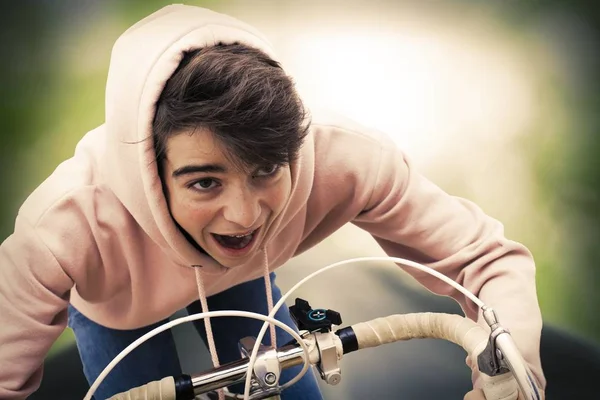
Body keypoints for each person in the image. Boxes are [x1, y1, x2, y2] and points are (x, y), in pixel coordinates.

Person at [0, 4, 546, 400]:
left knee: (290, 392)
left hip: (243, 281)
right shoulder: (66, 225)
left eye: (265, 170)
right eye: (204, 182)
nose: (244, 216)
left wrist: (513, 374)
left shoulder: (345, 161)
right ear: (150, 170)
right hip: (115, 299)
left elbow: (485, 259)